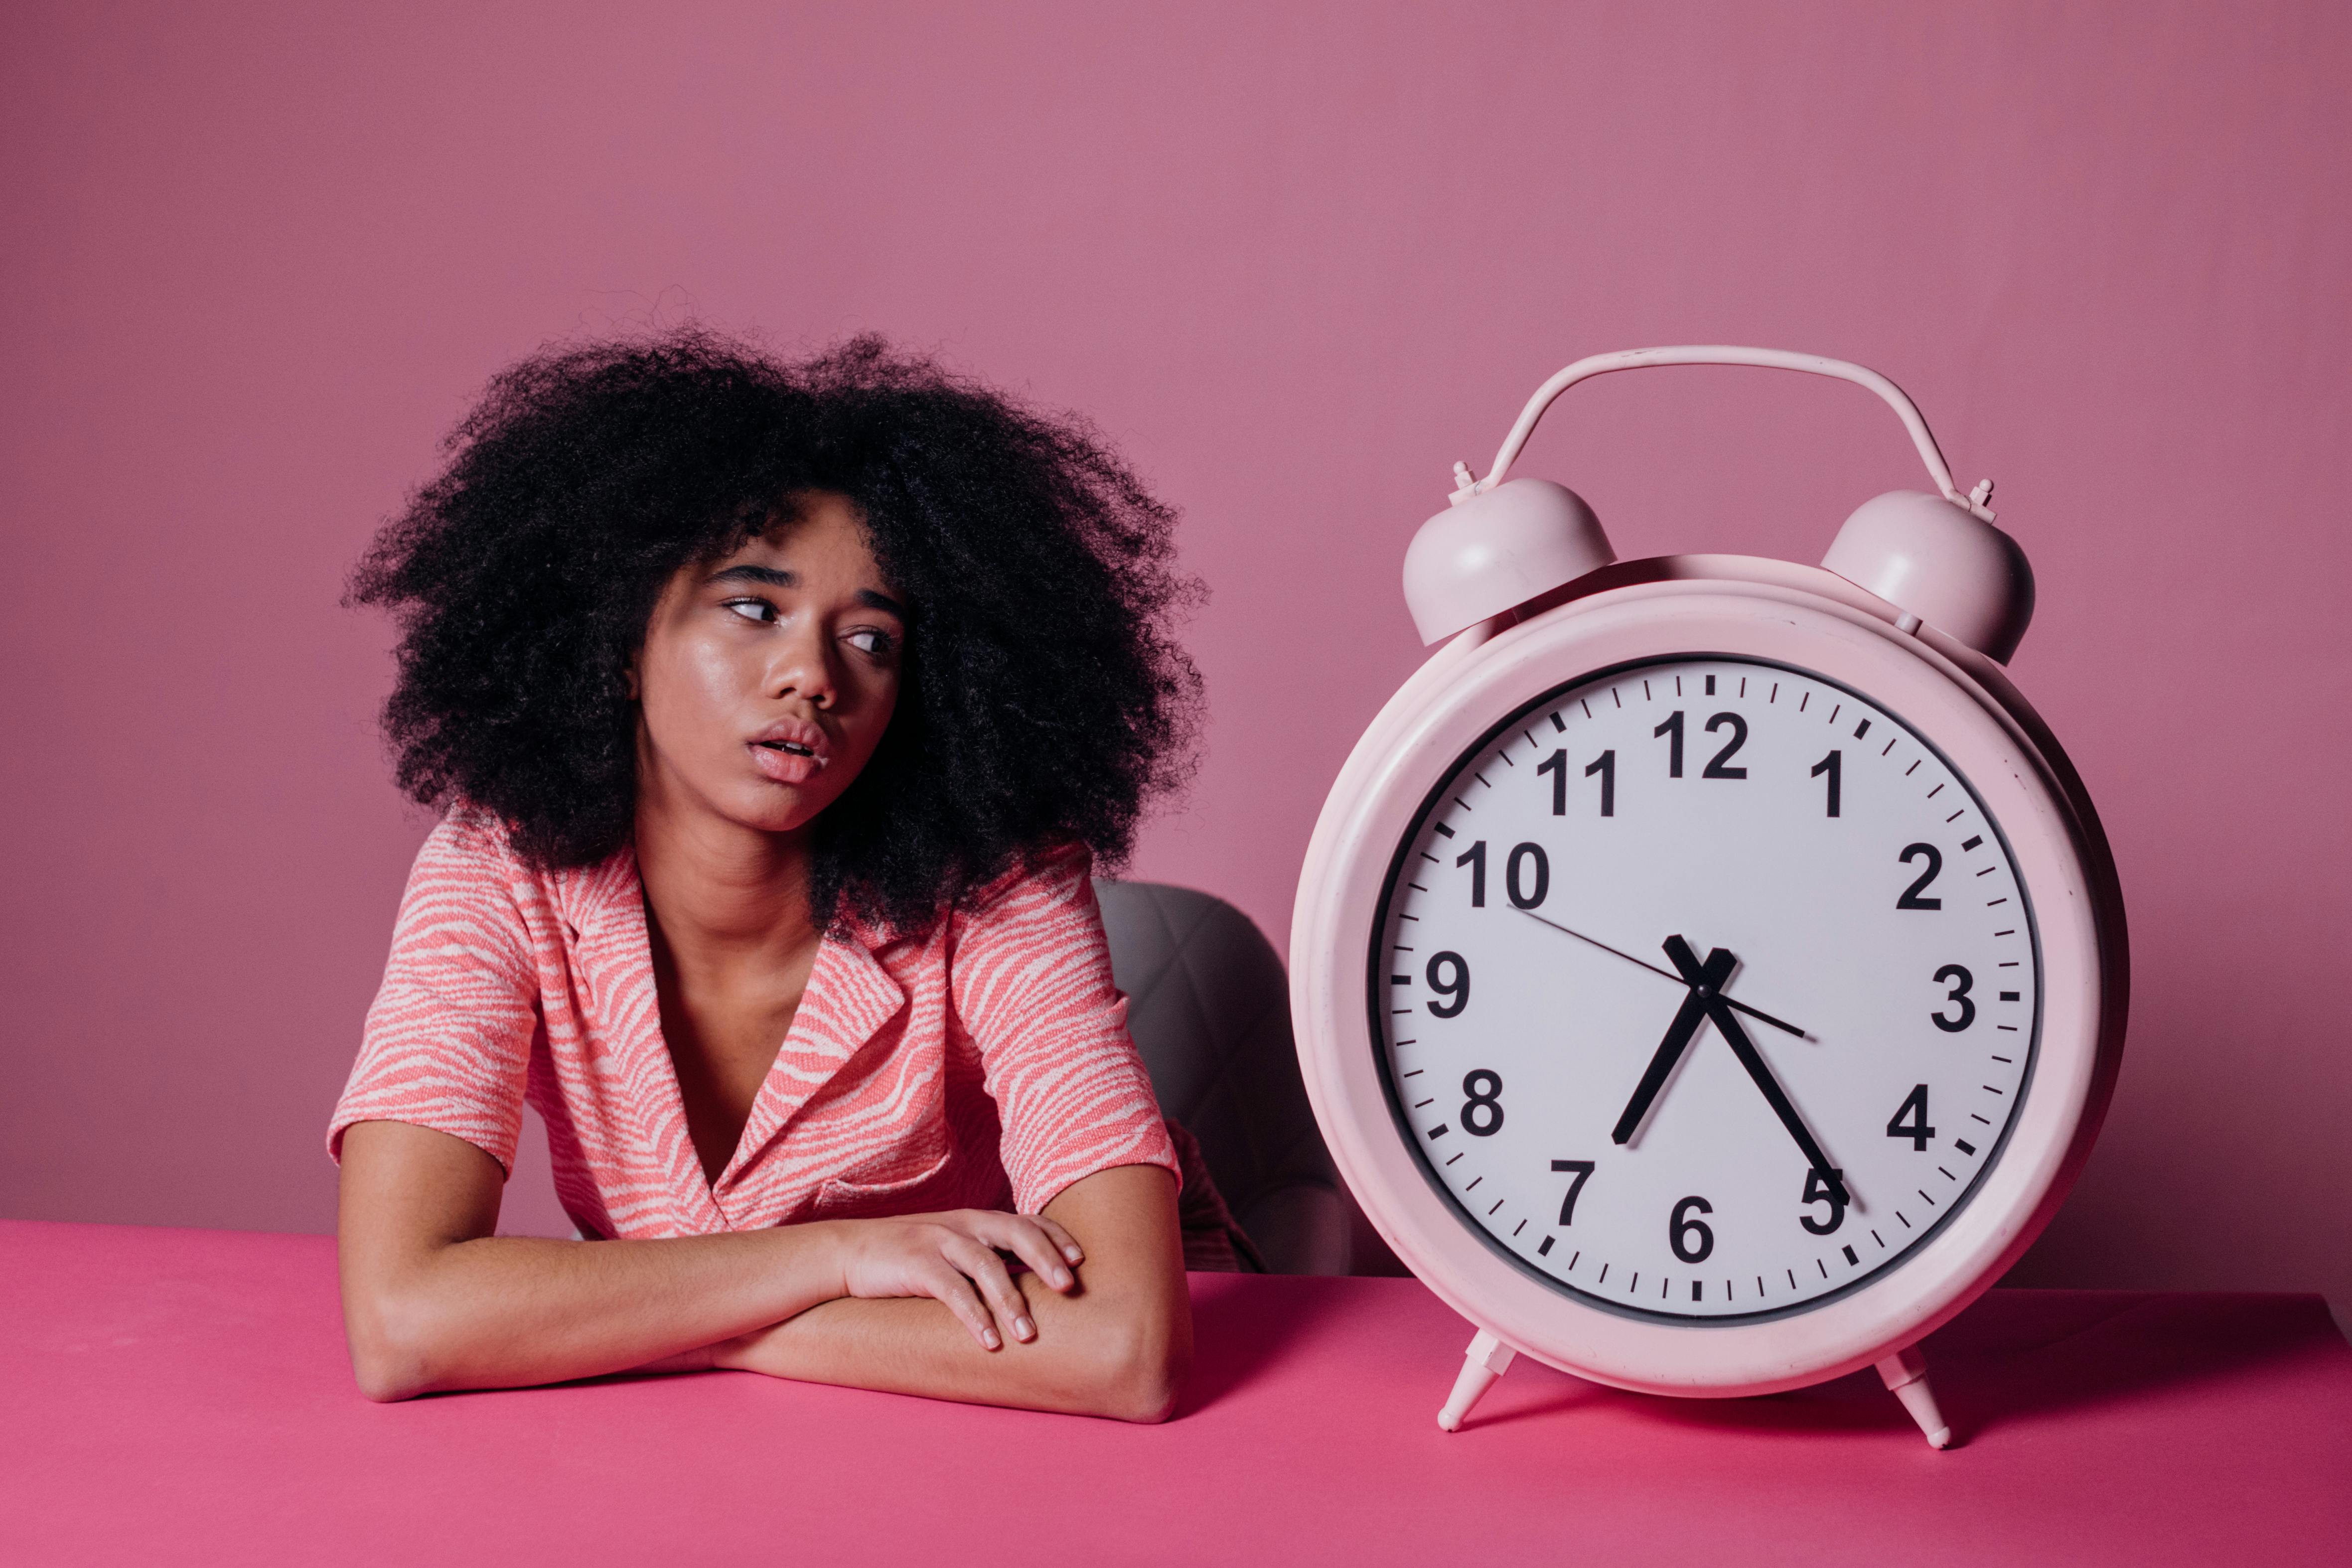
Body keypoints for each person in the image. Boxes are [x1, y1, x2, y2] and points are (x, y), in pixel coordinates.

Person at [330, 329, 1230, 1420]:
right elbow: (405, 1317)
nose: (811, 675)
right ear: (621, 637)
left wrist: (677, 1318)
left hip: (1029, 1410)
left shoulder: (1000, 884)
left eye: (871, 641)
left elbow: (1125, 1344)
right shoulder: (501, 867)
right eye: (752, 608)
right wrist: (839, 1257)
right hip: (783, 1421)